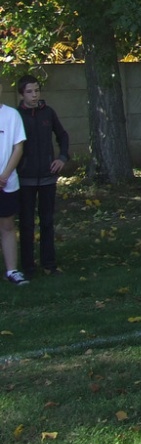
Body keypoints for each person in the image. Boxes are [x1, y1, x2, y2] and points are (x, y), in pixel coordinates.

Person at [16, 74, 70, 277]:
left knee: (47, 221)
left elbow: (62, 135)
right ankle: (28, 267)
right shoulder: (16, 116)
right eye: (29, 91)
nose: (34, 95)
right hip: (25, 179)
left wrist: (62, 158)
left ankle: (49, 264)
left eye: (37, 90)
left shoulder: (48, 112)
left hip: (47, 177)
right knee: (26, 224)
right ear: (22, 94)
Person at [1, 80, 27, 286]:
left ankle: (12, 270)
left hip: (7, 183)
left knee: (7, 225)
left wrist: (4, 176)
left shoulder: (12, 115)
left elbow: (18, 147)